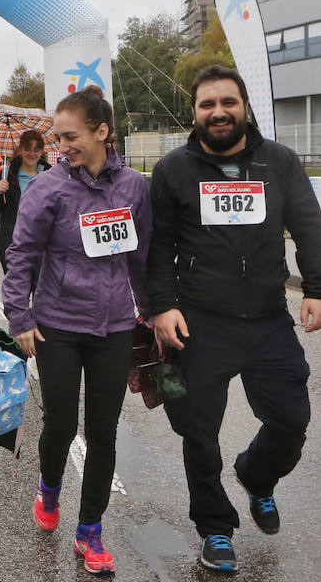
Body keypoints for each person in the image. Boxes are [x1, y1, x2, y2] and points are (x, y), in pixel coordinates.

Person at [147, 65, 321, 573]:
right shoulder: (173, 170)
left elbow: (309, 226)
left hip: (269, 317)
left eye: (227, 102)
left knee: (292, 420)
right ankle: (215, 528)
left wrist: (315, 288)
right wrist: (161, 306)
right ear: (194, 113)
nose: (218, 112)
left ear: (244, 106)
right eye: (207, 104)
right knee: (196, 430)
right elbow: (158, 247)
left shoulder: (280, 162)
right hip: (199, 321)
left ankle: (255, 475)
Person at [2, 86, 151, 576]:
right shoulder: (48, 188)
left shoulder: (133, 187)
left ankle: (90, 532)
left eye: (69, 136)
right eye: (56, 137)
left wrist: (149, 310)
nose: (60, 145)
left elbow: (142, 255)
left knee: (103, 431)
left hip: (113, 327)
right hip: (58, 327)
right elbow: (20, 254)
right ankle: (48, 488)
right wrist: (19, 317)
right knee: (62, 424)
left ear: (102, 131)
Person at [0, 129, 50, 274]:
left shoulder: (51, 176)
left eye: (36, 149)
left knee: (41, 293)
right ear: (20, 150)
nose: (32, 154)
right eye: (27, 149)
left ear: (42, 151)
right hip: (11, 245)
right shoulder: (6, 175)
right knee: (16, 294)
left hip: (42, 246)